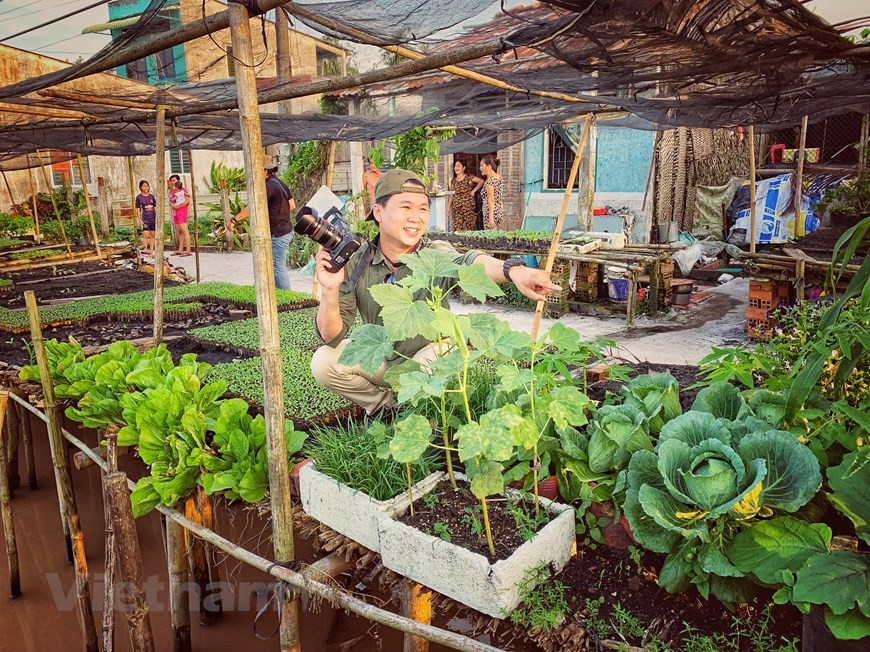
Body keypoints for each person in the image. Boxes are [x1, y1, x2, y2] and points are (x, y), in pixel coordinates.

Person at [310, 169, 560, 415]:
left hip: (429, 358)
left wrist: (513, 271)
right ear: (378, 212)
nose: (415, 217)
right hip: (385, 358)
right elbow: (331, 336)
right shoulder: (357, 260)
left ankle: (420, 410)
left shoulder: (433, 252)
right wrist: (329, 289)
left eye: (423, 209)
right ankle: (386, 408)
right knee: (324, 361)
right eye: (405, 207)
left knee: (432, 366)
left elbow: (468, 262)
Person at [227, 155, 296, 289]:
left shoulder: (269, 185)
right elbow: (292, 205)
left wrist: (234, 219)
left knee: (278, 266)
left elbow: (253, 206)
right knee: (271, 265)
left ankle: (287, 298)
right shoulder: (280, 183)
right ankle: (272, 292)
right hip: (286, 230)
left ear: (265, 170)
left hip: (279, 234)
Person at [447, 159, 483, 232]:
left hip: (468, 206)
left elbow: (481, 181)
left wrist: (473, 191)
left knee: (469, 226)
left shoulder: (468, 177)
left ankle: (469, 242)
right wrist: (448, 206)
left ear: (463, 168)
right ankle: (458, 242)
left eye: (458, 166)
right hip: (457, 207)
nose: (456, 168)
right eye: (455, 166)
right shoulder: (453, 181)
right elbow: (451, 195)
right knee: (457, 226)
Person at [479, 155, 504, 230]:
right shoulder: (499, 177)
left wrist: (491, 218)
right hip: (498, 210)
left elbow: (491, 200)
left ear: (489, 167)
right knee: (494, 235)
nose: (480, 168)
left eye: (482, 166)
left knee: (490, 236)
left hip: (490, 212)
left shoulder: (490, 181)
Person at [170, 180, 192, 256]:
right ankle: (180, 249)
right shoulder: (173, 191)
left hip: (182, 211)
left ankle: (188, 250)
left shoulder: (183, 191)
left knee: (185, 230)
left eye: (174, 180)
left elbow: (187, 201)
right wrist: (173, 206)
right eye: (172, 181)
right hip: (176, 212)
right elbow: (171, 200)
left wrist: (178, 206)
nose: (173, 182)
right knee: (179, 231)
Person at [135, 180, 156, 258]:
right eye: (144, 186)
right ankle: (144, 251)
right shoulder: (139, 197)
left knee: (153, 234)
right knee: (146, 234)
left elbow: (155, 206)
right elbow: (138, 209)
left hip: (153, 217)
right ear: (140, 187)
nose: (146, 187)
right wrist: (140, 219)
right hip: (145, 218)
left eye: (147, 186)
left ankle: (151, 252)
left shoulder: (151, 196)